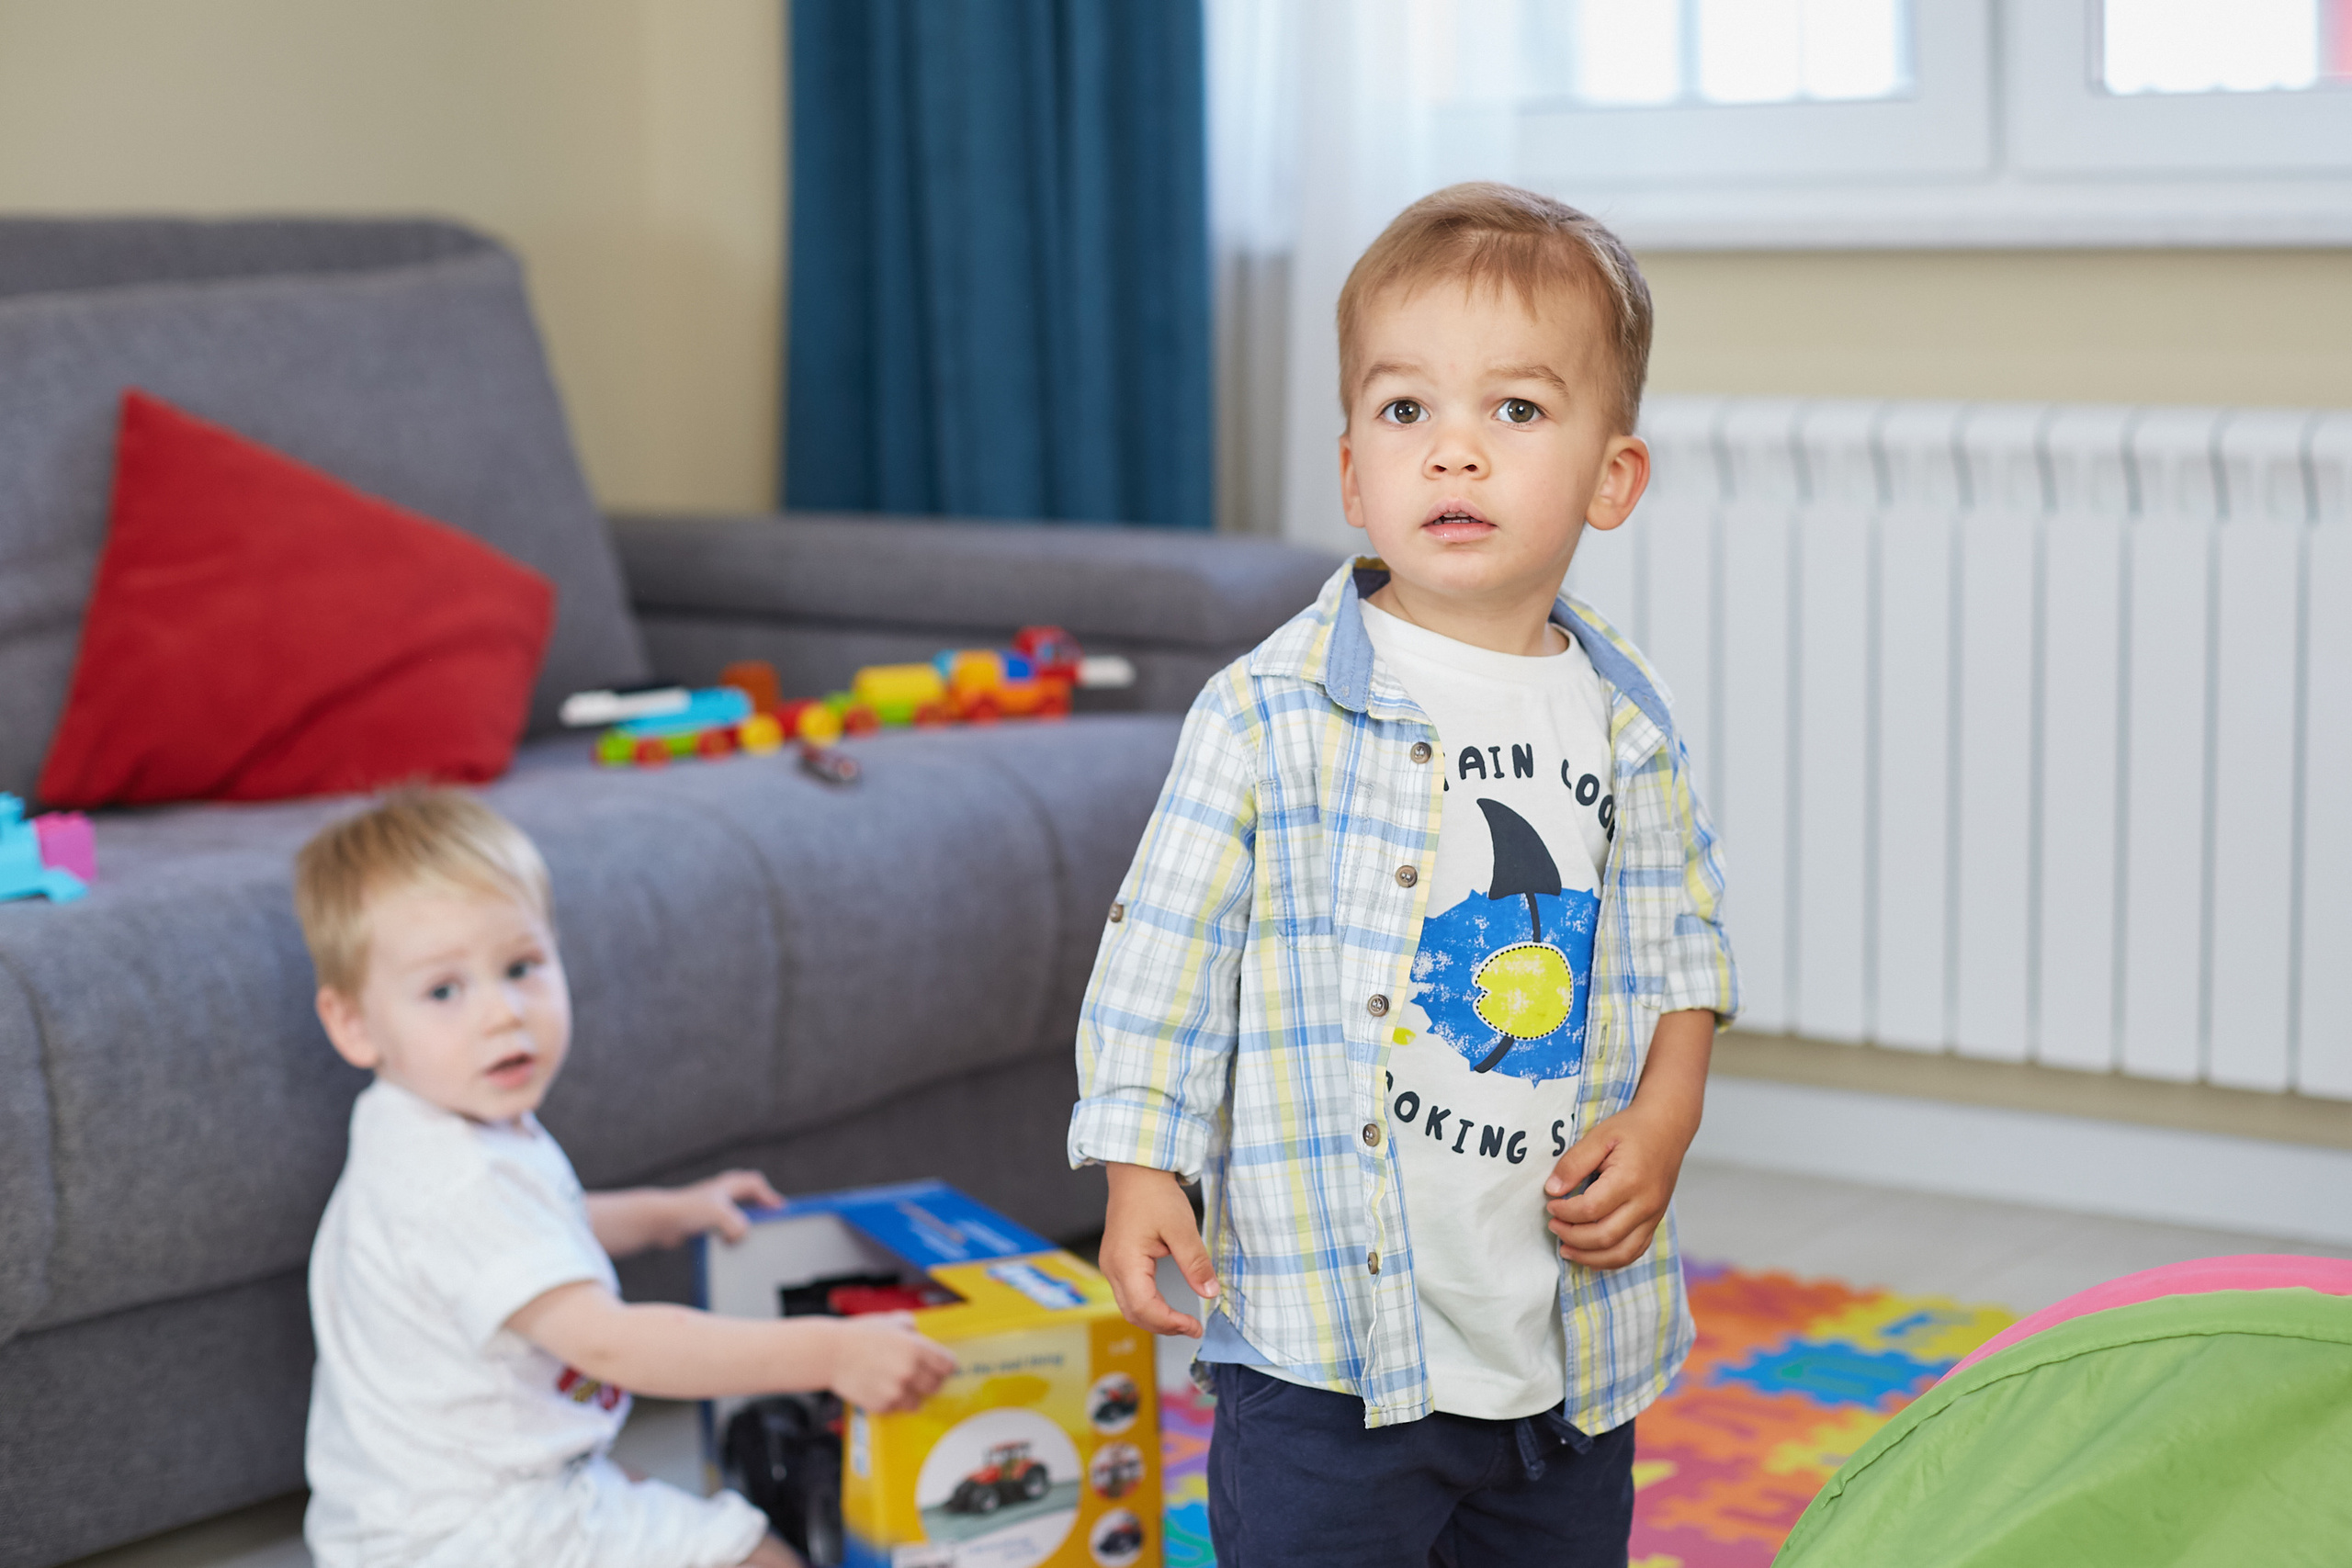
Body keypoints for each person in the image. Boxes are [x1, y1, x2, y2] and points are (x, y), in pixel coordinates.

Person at [1069, 182, 1739, 1567]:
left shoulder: (1625, 714)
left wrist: (1667, 1114)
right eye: (1406, 412)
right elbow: (1163, 955)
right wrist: (1144, 1165)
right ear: (1351, 472)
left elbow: (1681, 940)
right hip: (1327, 1337)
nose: (1454, 456)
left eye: (1515, 412)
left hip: (1556, 1331)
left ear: (1614, 475)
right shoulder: (1268, 711)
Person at [293, 790, 956, 1568]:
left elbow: (546, 1222)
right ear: (353, 1024)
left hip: (396, 1517)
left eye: (521, 966)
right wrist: (831, 1352)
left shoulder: (411, 1123)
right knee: (762, 1555)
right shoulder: (460, 1178)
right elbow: (615, 1344)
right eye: (445, 990)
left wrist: (670, 1211)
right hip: (485, 1530)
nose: (502, 1012)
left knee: (635, 1485)